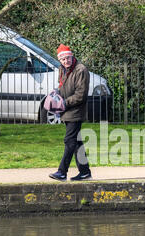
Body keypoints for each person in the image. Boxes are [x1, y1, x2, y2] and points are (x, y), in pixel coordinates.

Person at [49, 44, 91, 181]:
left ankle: (62, 172)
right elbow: (62, 87)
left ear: (72, 56)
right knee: (76, 142)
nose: (66, 61)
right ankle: (85, 172)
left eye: (67, 58)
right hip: (66, 111)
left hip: (76, 111)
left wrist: (65, 102)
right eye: (63, 59)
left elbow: (81, 95)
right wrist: (56, 93)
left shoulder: (81, 70)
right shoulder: (62, 69)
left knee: (69, 141)